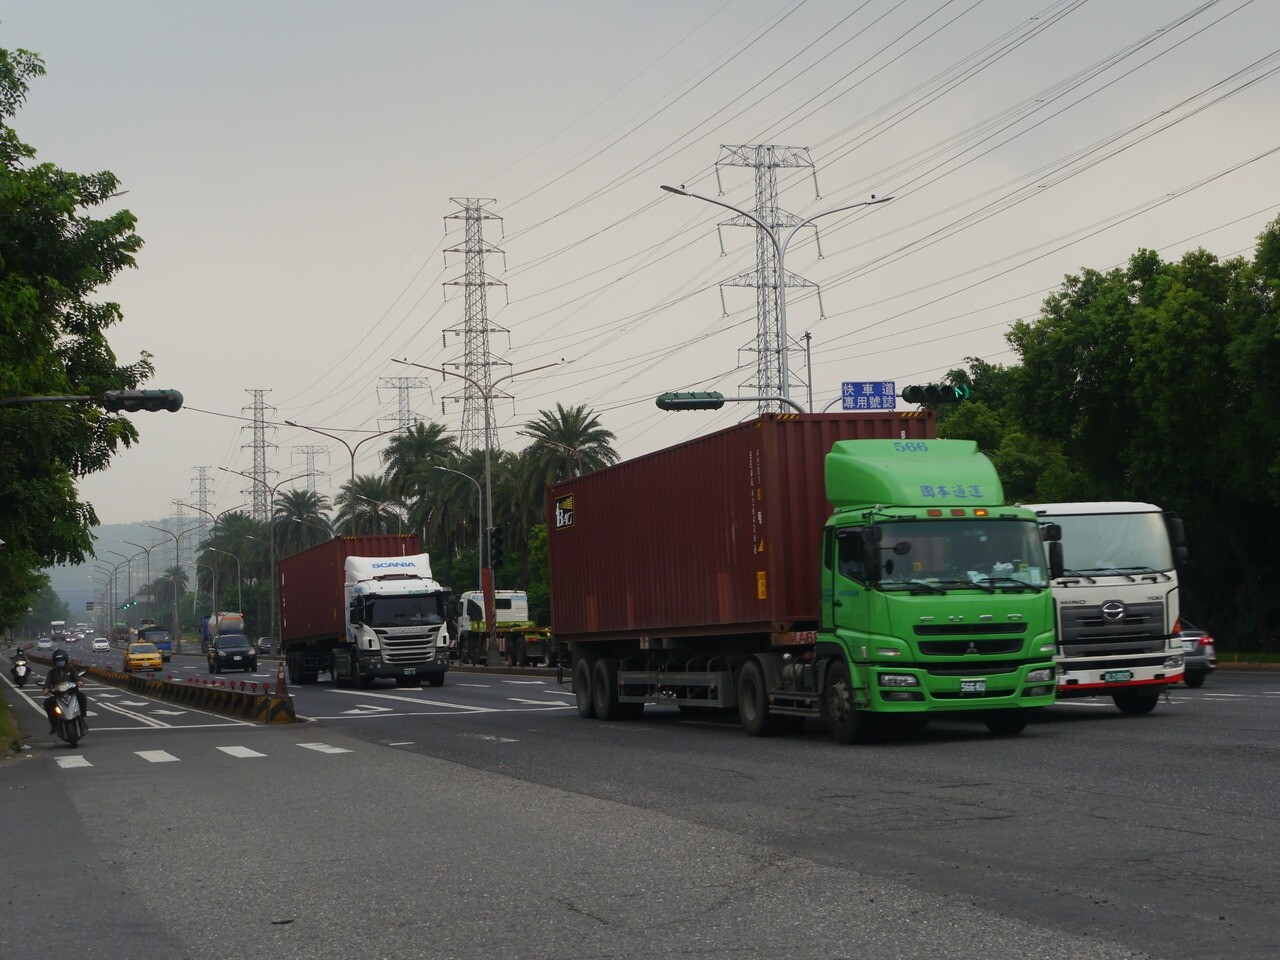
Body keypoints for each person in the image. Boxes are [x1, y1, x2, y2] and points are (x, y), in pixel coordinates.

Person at [42, 649, 87, 735]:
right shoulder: (52, 672)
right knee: (47, 703)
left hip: (72, 693)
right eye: (58, 661)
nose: (60, 662)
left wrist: (79, 682)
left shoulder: (71, 670)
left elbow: (77, 678)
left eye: (62, 660)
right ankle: (54, 724)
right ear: (55, 662)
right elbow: (47, 683)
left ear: (65, 660)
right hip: (58, 695)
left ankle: (83, 719)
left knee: (82, 697)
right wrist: (46, 689)